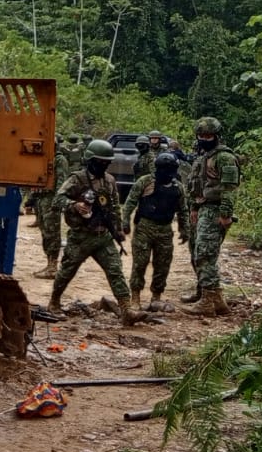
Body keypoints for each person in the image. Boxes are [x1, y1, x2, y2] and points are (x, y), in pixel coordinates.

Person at [51, 138, 141, 325]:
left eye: (107, 162)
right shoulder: (77, 179)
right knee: (67, 271)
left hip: (103, 237)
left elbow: (114, 207)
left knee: (115, 271)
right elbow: (57, 200)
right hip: (81, 236)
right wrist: (74, 205)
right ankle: (54, 302)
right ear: (90, 160)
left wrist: (118, 229)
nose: (103, 165)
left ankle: (126, 310)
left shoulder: (109, 180)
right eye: (100, 162)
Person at [183, 117, 241, 316]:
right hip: (202, 208)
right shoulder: (203, 156)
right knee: (196, 251)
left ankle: (208, 301)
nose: (204, 139)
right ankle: (212, 297)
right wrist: (194, 207)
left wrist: (225, 214)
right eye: (201, 136)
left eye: (208, 136)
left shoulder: (224, 157)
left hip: (215, 210)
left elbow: (229, 188)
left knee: (205, 254)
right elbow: (196, 184)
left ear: (216, 136)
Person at [121, 152, 189, 306]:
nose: (167, 173)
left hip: (165, 230)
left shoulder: (177, 187)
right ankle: (135, 296)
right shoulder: (145, 182)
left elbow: (183, 210)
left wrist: (185, 229)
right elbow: (130, 202)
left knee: (162, 265)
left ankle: (156, 296)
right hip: (144, 228)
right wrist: (125, 222)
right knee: (140, 263)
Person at [36, 133, 69, 280]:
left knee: (52, 233)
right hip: (42, 199)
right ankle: (49, 263)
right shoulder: (45, 158)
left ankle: (53, 266)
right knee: (45, 232)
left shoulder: (60, 160)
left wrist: (57, 201)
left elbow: (61, 182)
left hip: (51, 199)